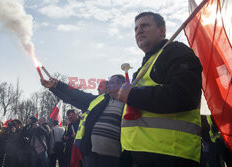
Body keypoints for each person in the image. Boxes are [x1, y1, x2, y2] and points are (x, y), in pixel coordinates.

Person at [118, 12, 202, 167]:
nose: (139, 31)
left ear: (162, 31)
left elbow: (185, 95)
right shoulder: (147, 64)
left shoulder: (176, 52)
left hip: (169, 155)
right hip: (135, 153)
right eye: (136, 28)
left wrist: (133, 94)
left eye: (145, 25)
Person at [41, 74, 125, 167]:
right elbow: (76, 94)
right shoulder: (98, 100)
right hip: (91, 151)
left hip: (113, 154)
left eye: (112, 82)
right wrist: (56, 85)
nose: (108, 85)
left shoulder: (127, 102)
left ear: (122, 85)